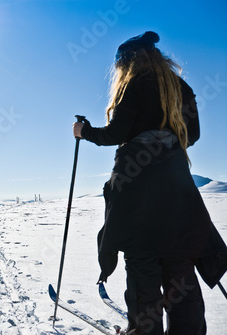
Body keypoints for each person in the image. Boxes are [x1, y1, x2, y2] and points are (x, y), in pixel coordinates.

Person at [72, 31, 227, 335]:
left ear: (127, 62)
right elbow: (191, 136)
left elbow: (115, 134)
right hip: (176, 186)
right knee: (180, 265)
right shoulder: (180, 87)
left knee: (143, 264)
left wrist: (84, 131)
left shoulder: (135, 83)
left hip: (138, 190)